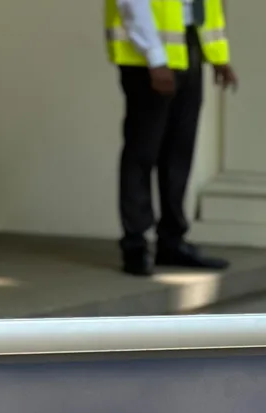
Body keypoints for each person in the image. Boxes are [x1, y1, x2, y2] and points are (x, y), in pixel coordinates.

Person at [105, 0, 238, 275]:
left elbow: (205, 8)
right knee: (142, 151)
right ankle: (136, 245)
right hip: (148, 57)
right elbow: (132, 4)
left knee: (179, 150)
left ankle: (172, 241)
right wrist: (155, 58)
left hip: (189, 47)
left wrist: (217, 57)